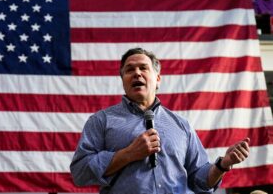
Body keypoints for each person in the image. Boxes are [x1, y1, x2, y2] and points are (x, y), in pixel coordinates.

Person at [70, 47, 250, 194]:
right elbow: (80, 173)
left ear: (157, 79)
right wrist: (128, 154)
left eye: (143, 68)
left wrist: (222, 164)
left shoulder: (181, 125)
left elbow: (200, 181)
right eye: (129, 70)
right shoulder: (101, 121)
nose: (137, 73)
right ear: (123, 80)